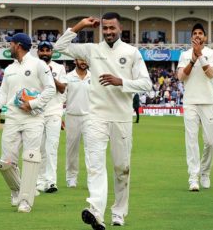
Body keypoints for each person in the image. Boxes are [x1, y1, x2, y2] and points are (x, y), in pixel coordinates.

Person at [54, 12, 152, 229]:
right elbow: (59, 47)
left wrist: (121, 82)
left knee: (121, 168)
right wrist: (80, 25)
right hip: (96, 117)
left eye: (112, 28)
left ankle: (118, 212)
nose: (108, 32)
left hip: (122, 118)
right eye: (105, 28)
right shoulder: (92, 50)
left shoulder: (132, 52)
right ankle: (96, 211)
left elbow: (147, 84)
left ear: (120, 29)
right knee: (95, 166)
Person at [0, 33, 55, 212]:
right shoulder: (9, 68)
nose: (8, 47)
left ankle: (26, 200)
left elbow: (51, 89)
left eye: (10, 44)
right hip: (12, 118)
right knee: (6, 161)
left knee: (30, 159)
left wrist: (32, 103)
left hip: (33, 118)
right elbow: (3, 92)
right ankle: (17, 190)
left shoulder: (39, 65)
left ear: (17, 45)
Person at [177, 23, 213, 192]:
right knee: (191, 141)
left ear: (205, 37)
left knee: (211, 142)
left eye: (200, 33)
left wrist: (200, 56)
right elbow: (181, 77)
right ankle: (193, 177)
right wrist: (193, 59)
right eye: (195, 33)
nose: (198, 36)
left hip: (208, 101)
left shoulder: (212, 53)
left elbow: (211, 74)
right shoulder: (184, 54)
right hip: (190, 102)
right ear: (191, 37)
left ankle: (205, 172)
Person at [36, 40, 67, 193]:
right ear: (37, 52)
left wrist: (49, 74)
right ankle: (39, 181)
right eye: (42, 50)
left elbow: (62, 89)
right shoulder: (33, 66)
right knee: (39, 149)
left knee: (51, 148)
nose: (44, 53)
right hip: (37, 113)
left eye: (47, 50)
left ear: (51, 53)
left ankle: (51, 182)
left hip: (54, 112)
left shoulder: (59, 68)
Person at [62, 59, 91, 188]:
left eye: (85, 59)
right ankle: (71, 178)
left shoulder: (94, 77)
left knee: (92, 150)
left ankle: (93, 178)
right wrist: (59, 115)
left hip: (90, 117)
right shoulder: (68, 77)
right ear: (75, 61)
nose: (83, 62)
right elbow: (61, 98)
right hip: (72, 117)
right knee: (71, 150)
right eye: (81, 59)